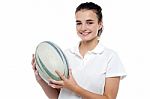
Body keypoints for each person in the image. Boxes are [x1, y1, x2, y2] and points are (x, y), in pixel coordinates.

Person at [31, 2, 126, 99]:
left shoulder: (110, 57)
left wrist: (74, 88)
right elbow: (58, 97)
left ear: (100, 24)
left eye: (89, 22)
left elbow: (109, 98)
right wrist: (40, 78)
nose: (83, 28)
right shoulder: (65, 55)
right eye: (79, 23)